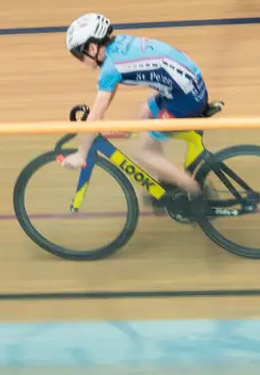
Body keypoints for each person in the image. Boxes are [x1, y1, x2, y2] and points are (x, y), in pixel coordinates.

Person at [61, 13, 211, 221]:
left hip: (185, 97)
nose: (80, 60)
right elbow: (105, 101)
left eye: (79, 54)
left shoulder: (111, 68)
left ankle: (195, 193)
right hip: (183, 87)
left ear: (92, 48)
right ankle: (166, 181)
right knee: (143, 112)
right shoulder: (117, 46)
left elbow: (95, 116)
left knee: (142, 152)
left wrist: (81, 153)